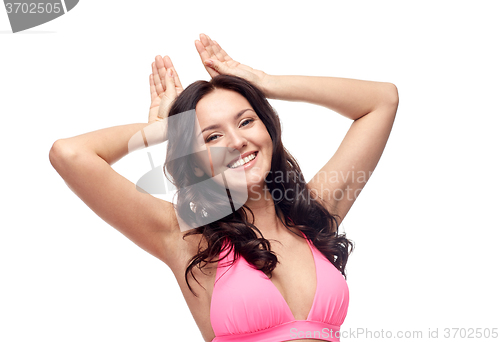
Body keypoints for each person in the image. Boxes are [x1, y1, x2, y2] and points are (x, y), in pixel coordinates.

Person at [49, 33, 399, 342]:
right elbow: (70, 155)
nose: (236, 142)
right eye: (212, 136)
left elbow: (381, 101)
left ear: (269, 128)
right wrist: (162, 128)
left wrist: (265, 82)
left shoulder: (314, 215)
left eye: (246, 121)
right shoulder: (186, 238)